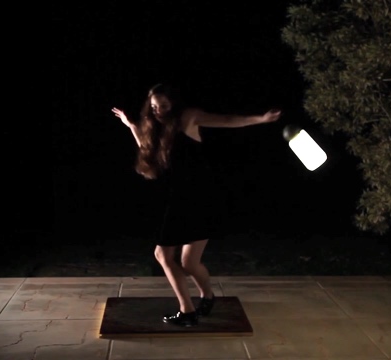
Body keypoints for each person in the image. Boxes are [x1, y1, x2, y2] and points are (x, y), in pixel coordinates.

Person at [112, 83, 281, 327]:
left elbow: (227, 120)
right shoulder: (158, 128)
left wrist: (261, 119)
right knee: (185, 262)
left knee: (168, 256)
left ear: (174, 103)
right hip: (178, 197)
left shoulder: (189, 117)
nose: (159, 111)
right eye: (154, 107)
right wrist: (132, 126)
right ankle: (207, 297)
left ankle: (188, 312)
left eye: (164, 106)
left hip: (200, 196)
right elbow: (148, 151)